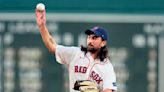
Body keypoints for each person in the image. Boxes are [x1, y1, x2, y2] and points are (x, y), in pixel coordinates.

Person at [35, 9, 117, 92]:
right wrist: (42, 26)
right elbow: (52, 46)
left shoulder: (107, 67)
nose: (90, 41)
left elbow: (109, 90)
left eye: (94, 38)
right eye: (89, 37)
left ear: (103, 43)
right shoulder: (76, 54)